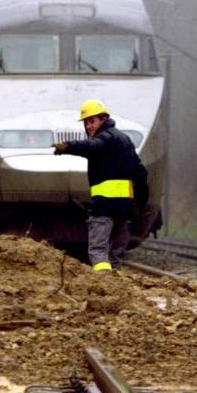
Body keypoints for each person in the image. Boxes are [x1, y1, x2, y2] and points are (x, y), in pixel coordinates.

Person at [53, 99, 148, 272]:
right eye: (86, 123)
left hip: (104, 206)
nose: (89, 126)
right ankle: (117, 285)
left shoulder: (104, 138)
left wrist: (67, 146)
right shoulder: (125, 140)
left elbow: (91, 146)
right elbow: (141, 174)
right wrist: (140, 205)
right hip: (124, 208)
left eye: (92, 121)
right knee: (116, 254)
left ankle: (103, 284)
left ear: (103, 119)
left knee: (98, 251)